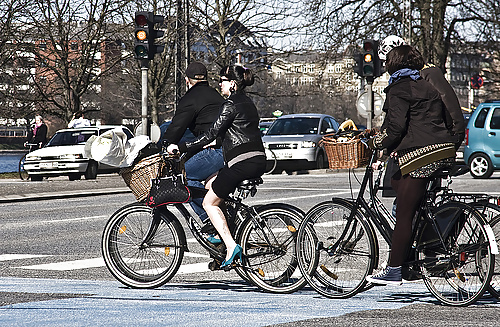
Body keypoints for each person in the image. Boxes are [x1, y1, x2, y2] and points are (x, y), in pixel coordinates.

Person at [365, 45, 457, 285]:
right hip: (443, 150)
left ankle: (395, 269)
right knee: (400, 186)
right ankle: (420, 242)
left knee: (404, 215)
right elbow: (443, 118)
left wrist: (376, 143)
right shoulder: (426, 85)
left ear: (393, 64)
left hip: (422, 155)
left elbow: (395, 127)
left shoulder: (398, 87)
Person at [168, 65, 266, 268]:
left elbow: (211, 133)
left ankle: (230, 246)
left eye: (222, 80)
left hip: (241, 163)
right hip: (257, 159)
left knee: (209, 203)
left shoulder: (230, 104)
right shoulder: (248, 103)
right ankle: (227, 230)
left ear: (232, 83)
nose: (219, 84)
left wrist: (181, 146)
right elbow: (236, 131)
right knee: (213, 189)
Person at [161, 61, 225, 224]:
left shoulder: (190, 99)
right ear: (206, 78)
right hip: (229, 147)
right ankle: (224, 215)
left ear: (187, 80)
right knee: (210, 186)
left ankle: (210, 221)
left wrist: (164, 144)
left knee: (185, 177)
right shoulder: (215, 95)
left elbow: (177, 127)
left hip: (217, 150)